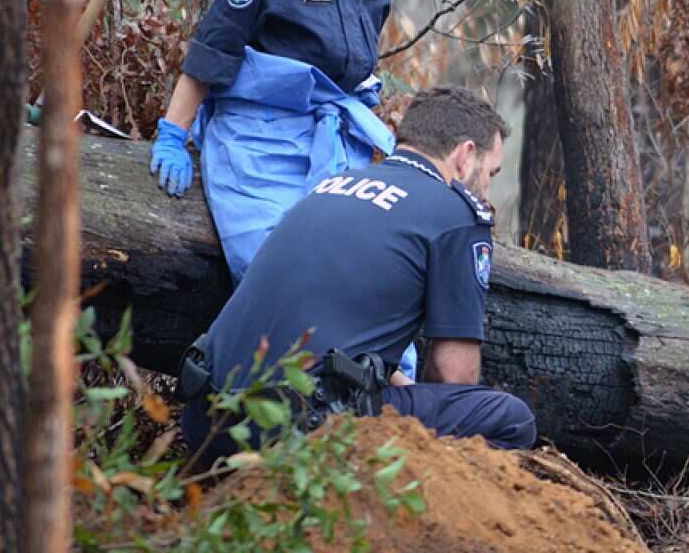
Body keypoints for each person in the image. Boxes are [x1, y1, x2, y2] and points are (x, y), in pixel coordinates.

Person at [179, 87, 537, 462]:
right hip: (300, 435)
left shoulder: (331, 188)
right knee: (511, 419)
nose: (487, 190)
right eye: (490, 172)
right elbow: (454, 377)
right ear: (464, 156)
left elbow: (341, 328)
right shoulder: (456, 216)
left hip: (208, 424)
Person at [148, 0, 395, 285]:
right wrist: (172, 134)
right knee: (279, 271)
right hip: (256, 142)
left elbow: (356, 67)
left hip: (331, 144)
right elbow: (212, 50)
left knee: (363, 274)